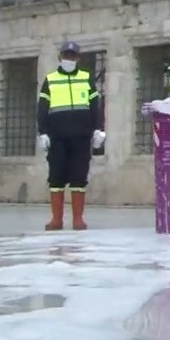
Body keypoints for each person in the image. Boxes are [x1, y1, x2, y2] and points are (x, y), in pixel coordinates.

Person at [37, 41, 105, 231]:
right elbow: (42, 108)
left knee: (79, 177)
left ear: (78, 58)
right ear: (60, 57)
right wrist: (42, 132)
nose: (69, 59)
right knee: (56, 177)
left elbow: (95, 106)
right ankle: (56, 220)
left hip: (81, 137)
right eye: (66, 56)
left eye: (72, 56)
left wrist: (98, 128)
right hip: (57, 137)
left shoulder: (86, 78)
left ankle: (78, 219)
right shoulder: (50, 79)